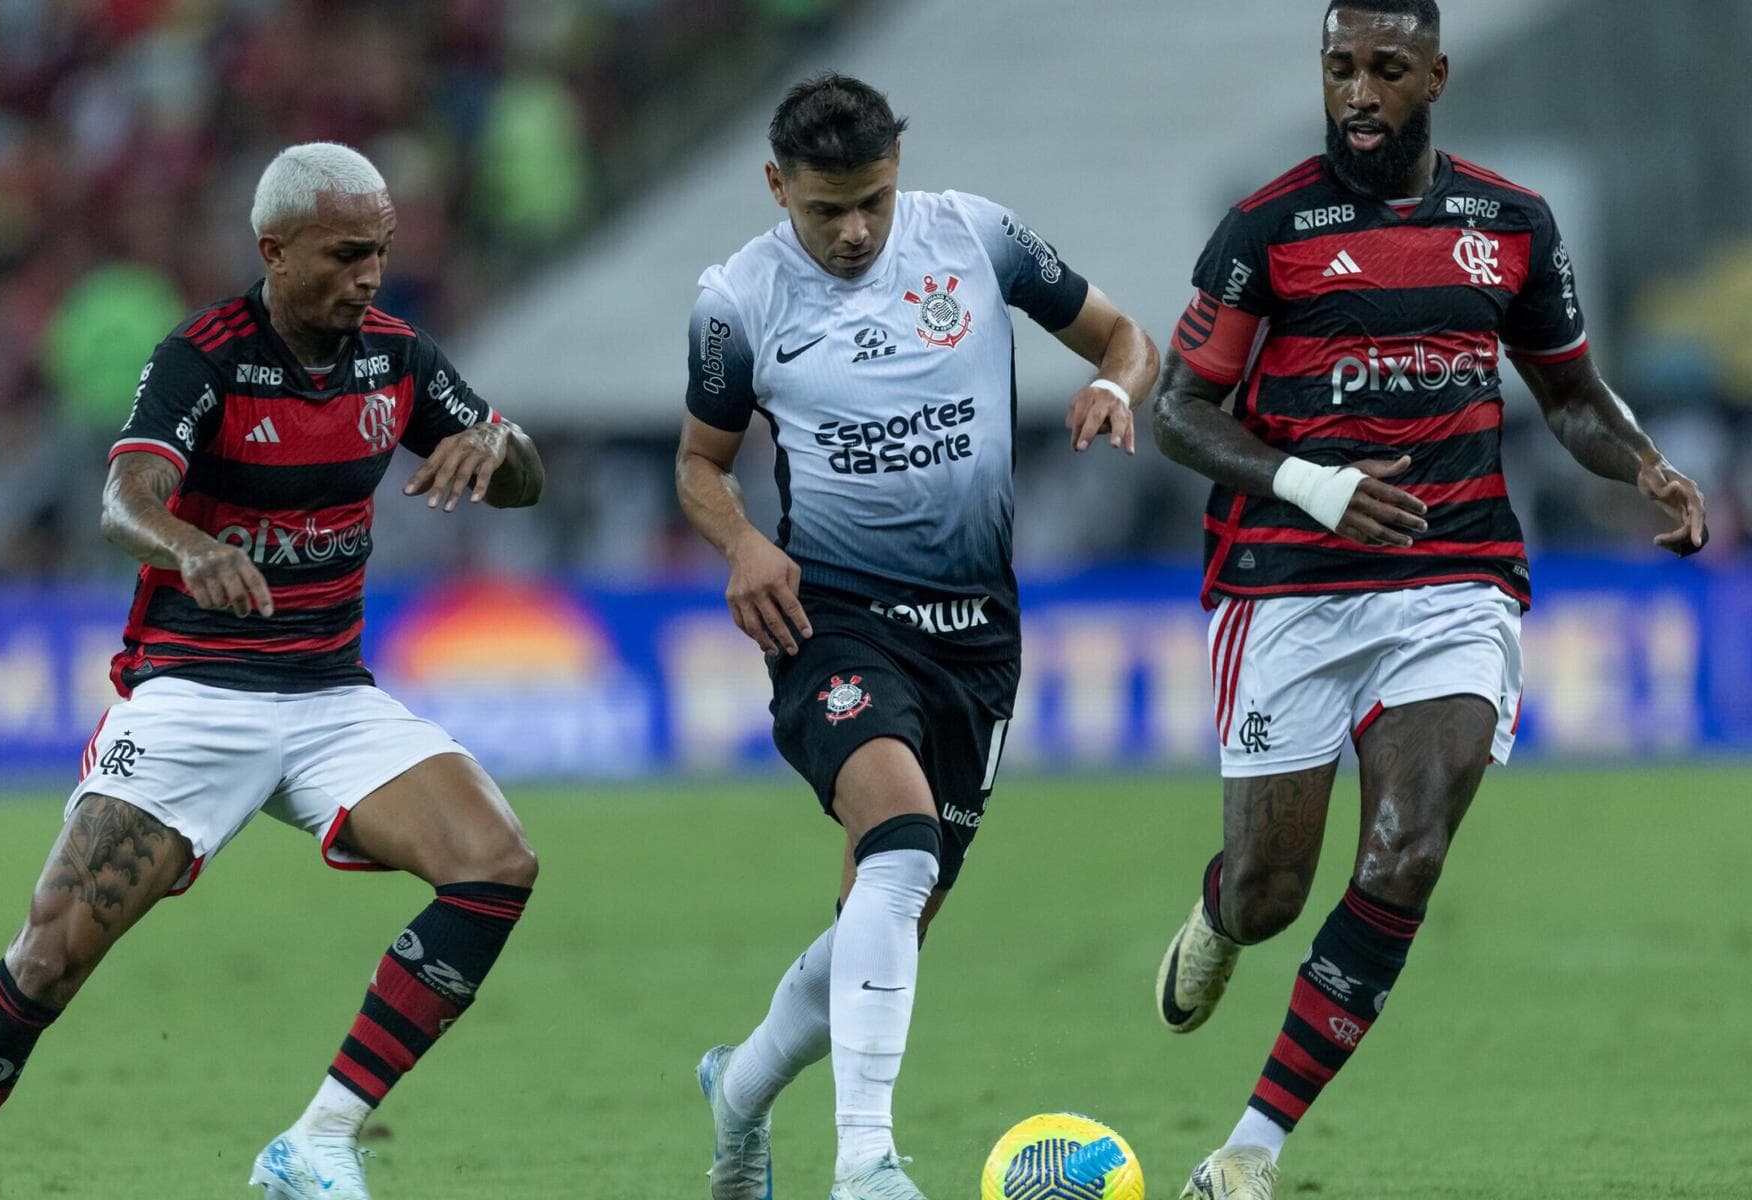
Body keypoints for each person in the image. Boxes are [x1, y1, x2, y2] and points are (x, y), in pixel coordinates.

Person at [0, 142, 546, 1200]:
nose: (370, 274)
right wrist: (191, 545)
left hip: (331, 696)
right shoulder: (204, 357)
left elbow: (522, 478)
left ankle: (318, 1140)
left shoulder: (397, 358)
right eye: (345, 255)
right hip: (196, 696)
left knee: (496, 863)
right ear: (274, 251)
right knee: (46, 960)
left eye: (379, 251)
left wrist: (498, 446)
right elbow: (124, 500)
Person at [1147, 4, 1707, 1198]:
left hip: (1454, 579)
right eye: (1340, 68)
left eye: (1385, 70)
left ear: (1435, 76)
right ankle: (1218, 917)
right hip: (1289, 583)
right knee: (1269, 891)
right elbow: (1181, 413)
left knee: (1406, 850)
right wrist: (1315, 485)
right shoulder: (1268, 227)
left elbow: (1566, 395)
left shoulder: (1509, 225)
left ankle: (1251, 1150)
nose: (1359, 91)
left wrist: (1647, 465)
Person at [676, 73, 1160, 1200]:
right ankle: (868, 1168)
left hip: (979, 638)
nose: (851, 232)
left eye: (872, 203)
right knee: (896, 843)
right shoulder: (737, 299)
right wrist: (745, 544)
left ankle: (739, 1093)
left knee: (884, 920)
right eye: (824, 209)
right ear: (775, 187)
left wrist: (1115, 386)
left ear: (902, 170)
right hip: (829, 620)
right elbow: (699, 467)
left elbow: (1128, 336)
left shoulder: (975, 238)